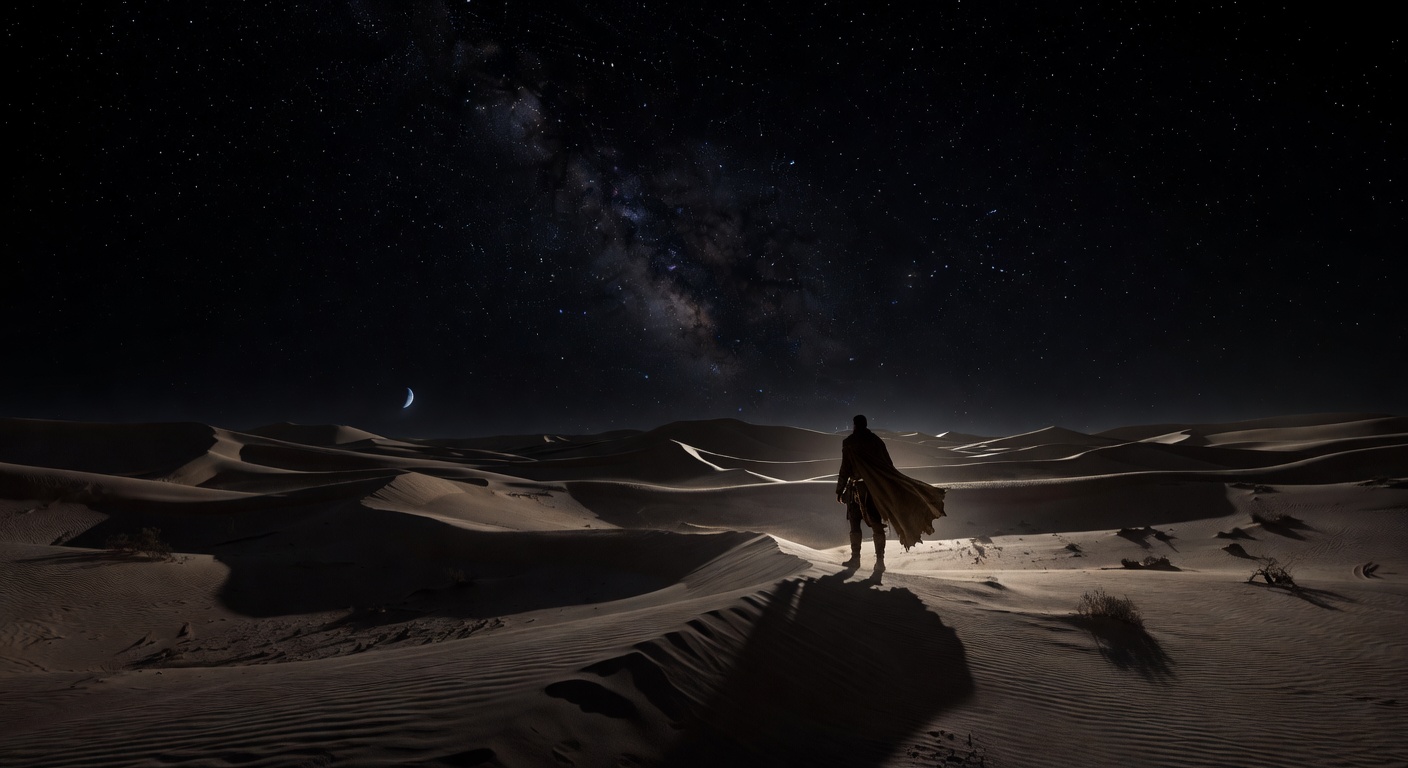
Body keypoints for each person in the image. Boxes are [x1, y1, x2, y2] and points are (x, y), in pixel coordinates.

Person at [836, 414, 948, 568]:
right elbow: (888, 465)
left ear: (855, 425)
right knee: (876, 524)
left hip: (857, 489)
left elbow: (845, 469)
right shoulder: (876, 441)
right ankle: (880, 561)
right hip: (876, 489)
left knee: (855, 524)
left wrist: (839, 490)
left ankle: (856, 559)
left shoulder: (849, 443)